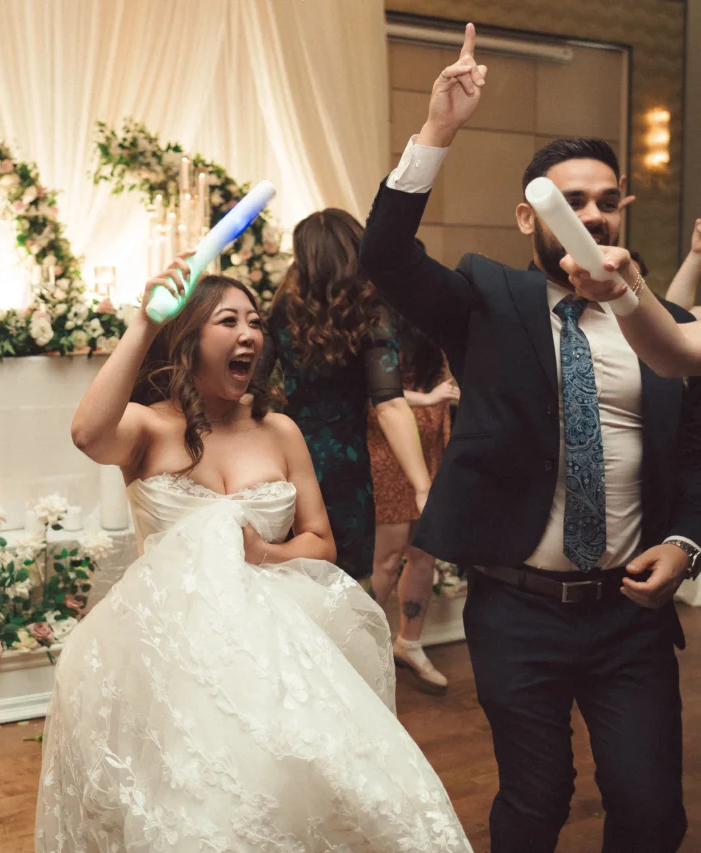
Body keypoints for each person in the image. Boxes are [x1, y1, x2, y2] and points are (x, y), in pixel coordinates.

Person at [359, 23, 701, 853]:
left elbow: (691, 450)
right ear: (528, 215)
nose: (591, 213)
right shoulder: (488, 298)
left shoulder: (663, 325)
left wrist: (688, 542)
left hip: (630, 611)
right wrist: (439, 128)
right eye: (569, 200)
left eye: (605, 199)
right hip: (518, 606)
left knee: (653, 811)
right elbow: (386, 255)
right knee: (536, 798)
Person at [37, 263, 470, 851]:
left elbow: (320, 540)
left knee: (294, 793)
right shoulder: (148, 429)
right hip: (169, 654)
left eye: (256, 322)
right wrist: (143, 322)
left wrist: (263, 552)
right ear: (189, 338)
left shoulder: (280, 431)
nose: (250, 334)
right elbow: (88, 433)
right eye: (228, 321)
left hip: (274, 646)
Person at [266, 208, 432, 581]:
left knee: (285, 575)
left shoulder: (280, 311)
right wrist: (423, 486)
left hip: (283, 460)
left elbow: (255, 390)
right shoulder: (369, 314)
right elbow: (390, 403)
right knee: (342, 580)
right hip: (343, 464)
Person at [367, 311, 457, 693]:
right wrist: (431, 397)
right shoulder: (374, 320)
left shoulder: (432, 319)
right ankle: (359, 650)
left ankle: (409, 643)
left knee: (424, 553)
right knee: (386, 560)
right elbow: (375, 394)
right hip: (387, 447)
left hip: (432, 445)